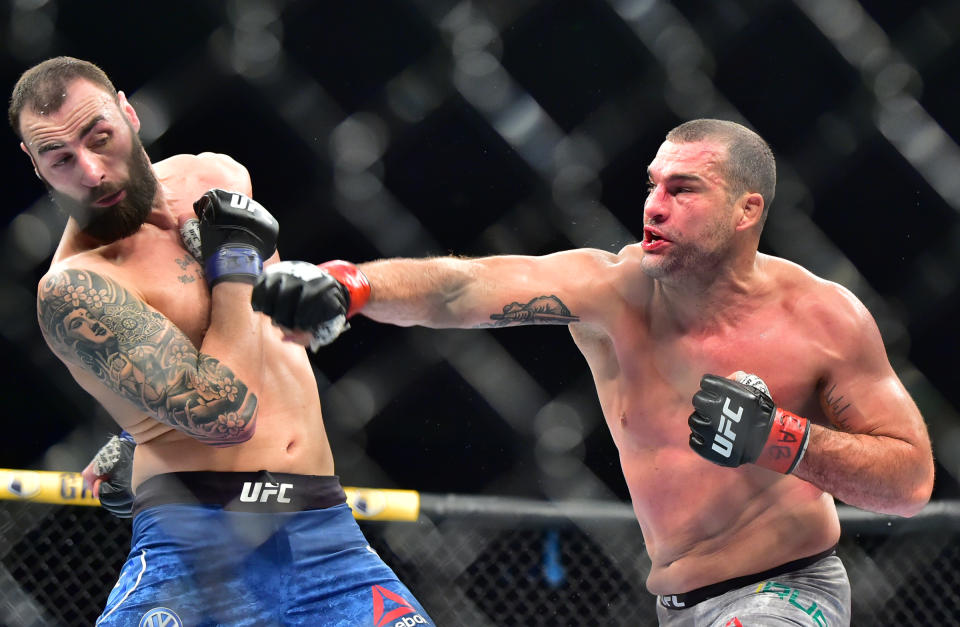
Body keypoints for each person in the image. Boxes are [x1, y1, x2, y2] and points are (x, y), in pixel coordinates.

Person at [251, 119, 936, 626]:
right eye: (653, 186)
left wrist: (782, 439)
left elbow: (909, 481)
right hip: (673, 602)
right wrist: (351, 285)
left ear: (746, 210)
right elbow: (464, 287)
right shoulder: (612, 293)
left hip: (790, 593)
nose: (655, 206)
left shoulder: (823, 319)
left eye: (684, 189)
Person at [10, 56, 434, 626]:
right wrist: (233, 266)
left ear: (129, 114)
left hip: (323, 530)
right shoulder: (76, 286)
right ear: (35, 166)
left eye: (100, 138)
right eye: (60, 159)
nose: (89, 172)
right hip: (195, 546)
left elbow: (275, 339)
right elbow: (224, 415)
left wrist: (140, 424)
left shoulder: (216, 178)